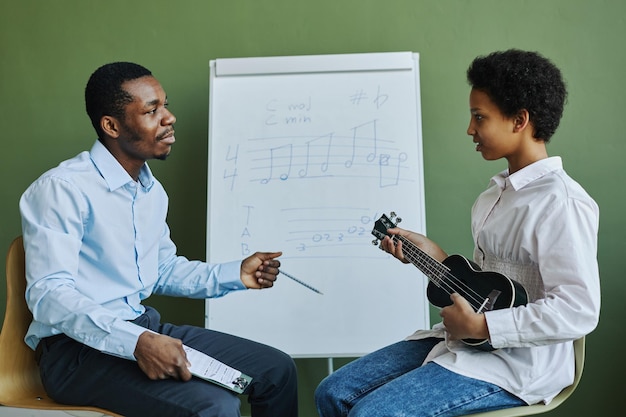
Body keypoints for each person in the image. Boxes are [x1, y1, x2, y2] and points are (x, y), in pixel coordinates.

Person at [315, 49, 601, 416]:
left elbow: (578, 310)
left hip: (518, 365)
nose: (470, 129)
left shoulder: (560, 202)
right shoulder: (492, 196)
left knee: (369, 413)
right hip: (464, 343)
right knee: (332, 393)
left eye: (479, 117)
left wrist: (485, 325)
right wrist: (430, 254)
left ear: (519, 120)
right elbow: (485, 286)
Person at [19, 62, 298, 417]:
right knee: (216, 406)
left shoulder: (151, 192)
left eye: (165, 105)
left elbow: (160, 269)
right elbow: (49, 296)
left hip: (141, 326)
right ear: (111, 126)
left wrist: (235, 275)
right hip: (76, 352)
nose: (169, 118)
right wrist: (136, 342)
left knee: (277, 371)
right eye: (151, 110)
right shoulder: (63, 189)